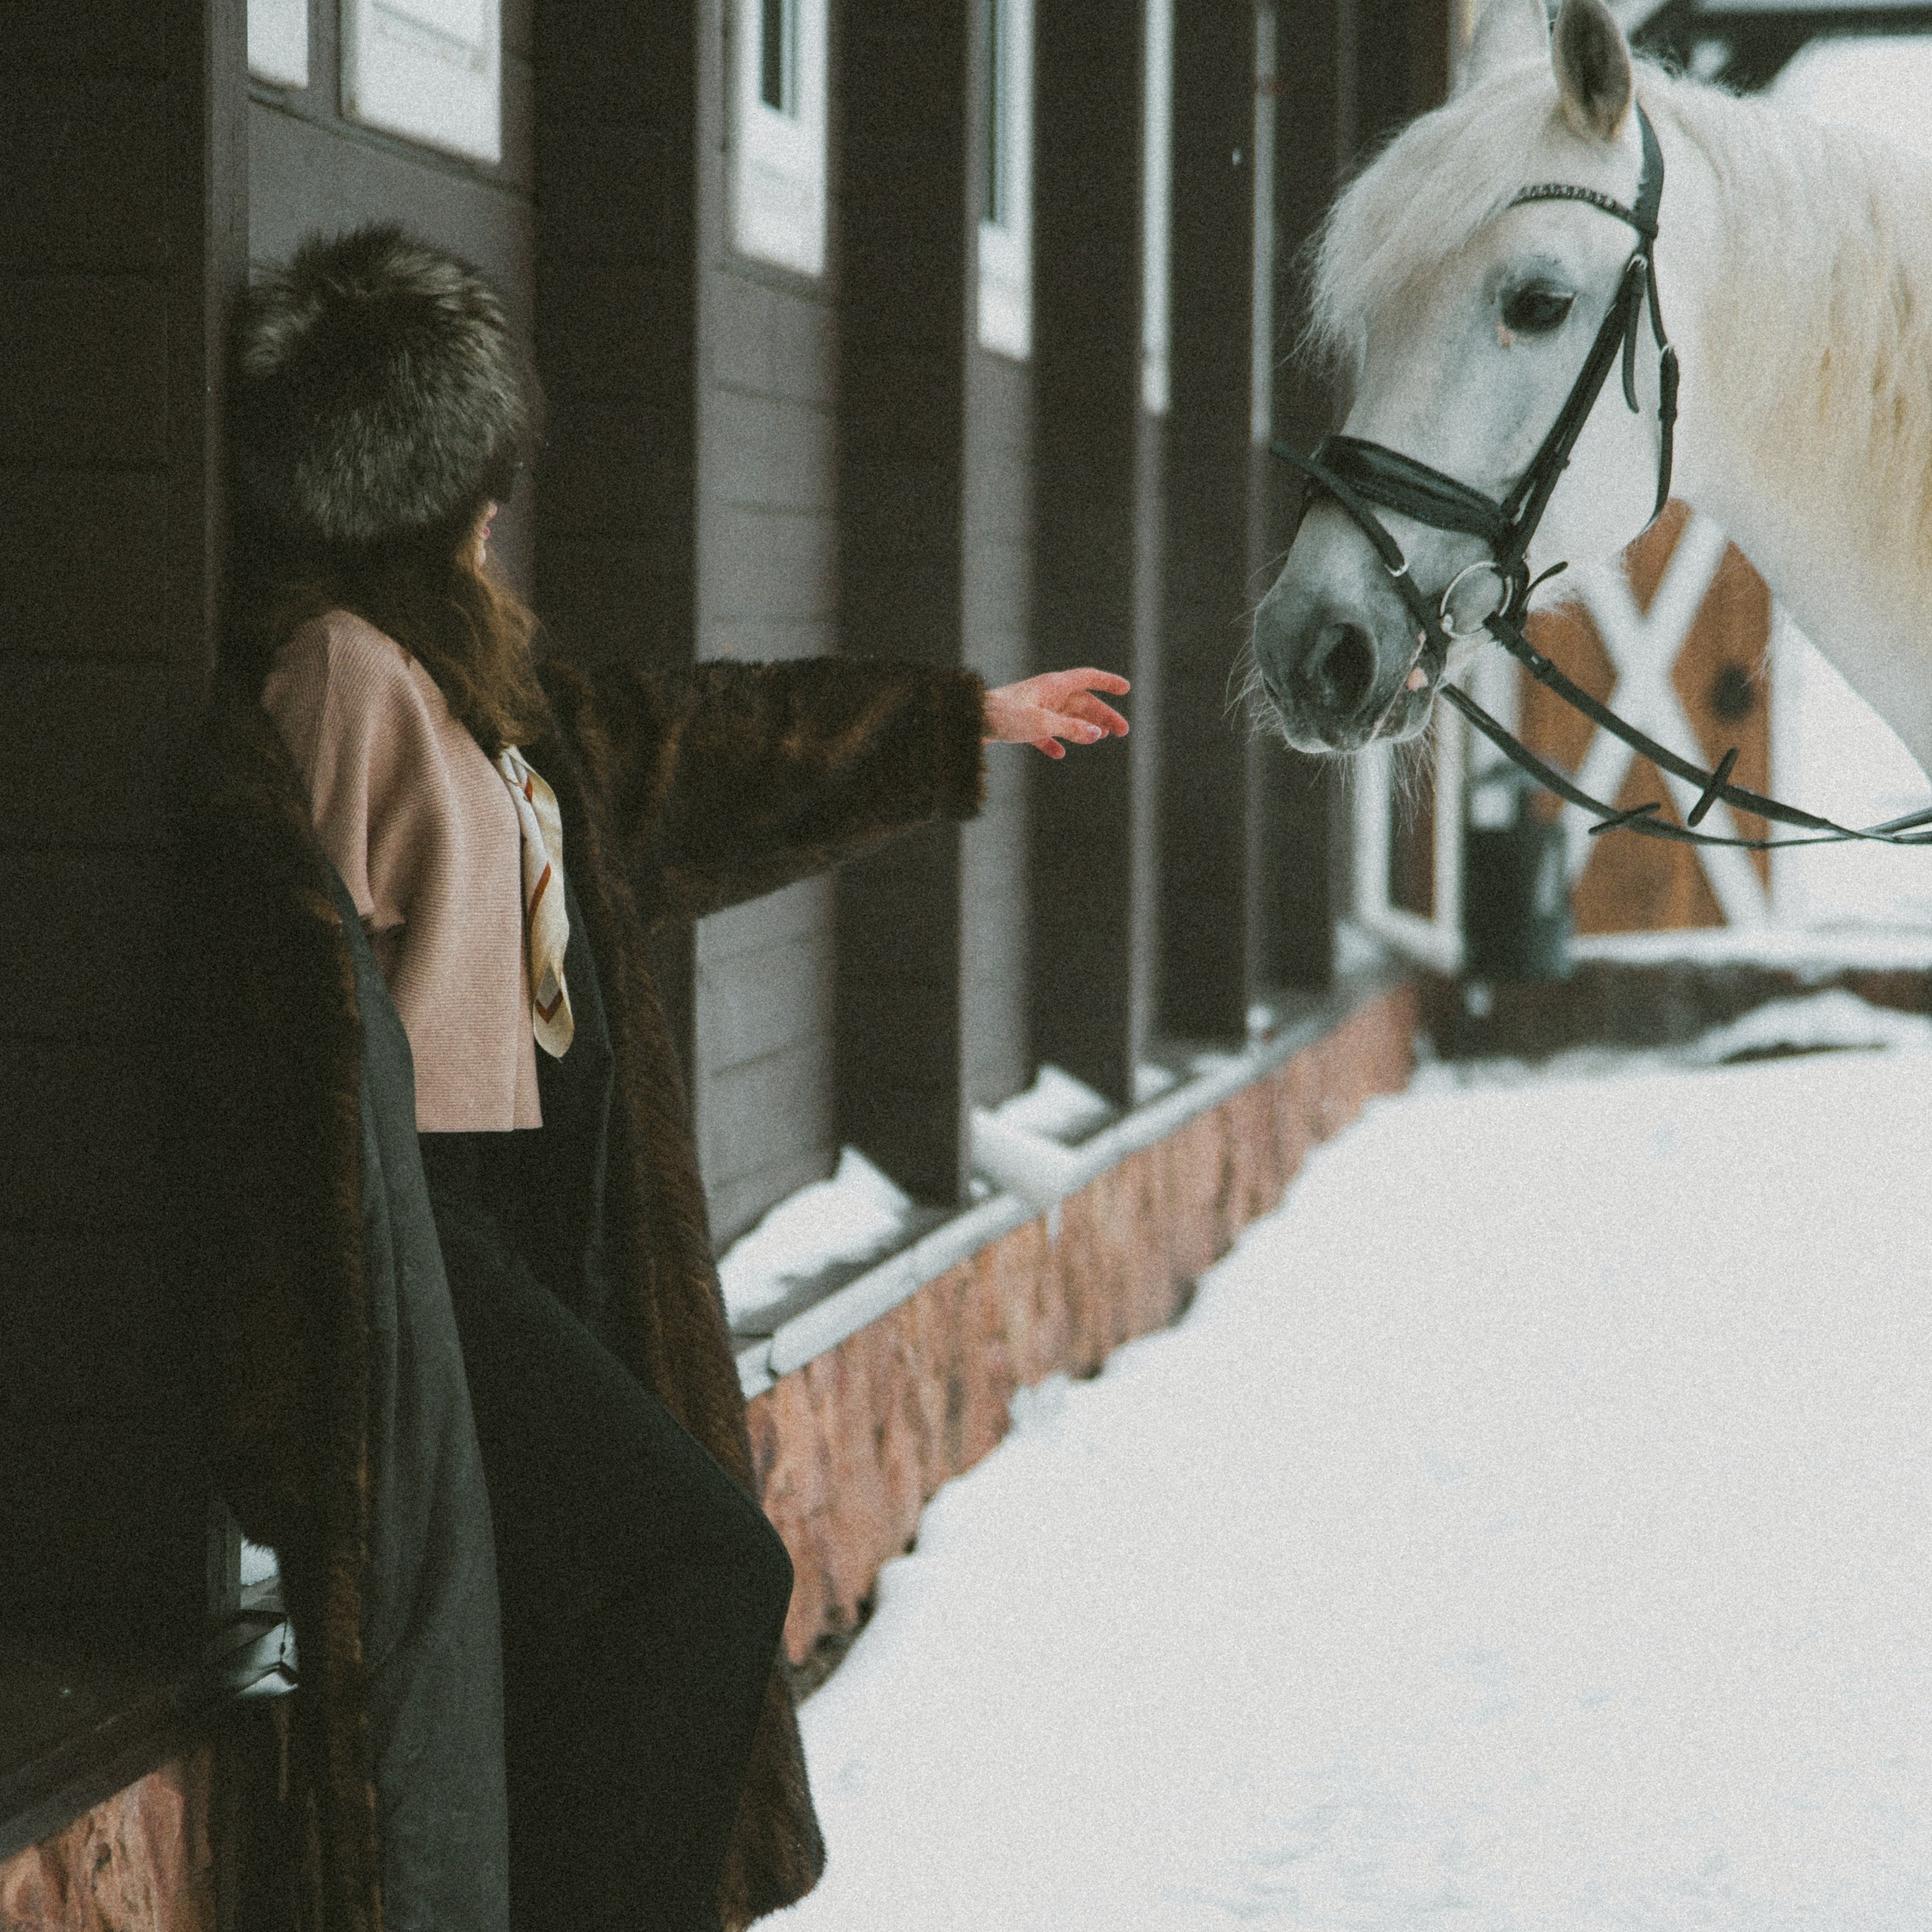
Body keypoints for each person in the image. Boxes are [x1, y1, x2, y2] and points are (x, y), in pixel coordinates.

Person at [168, 223, 1128, 1932]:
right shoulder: (341, 676)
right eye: (476, 480)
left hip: (536, 1221)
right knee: (703, 1566)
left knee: (601, 1615)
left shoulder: (485, 690)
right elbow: (292, 1014)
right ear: (412, 491)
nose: (496, 512)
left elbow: (699, 744)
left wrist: (956, 719)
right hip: (422, 1240)